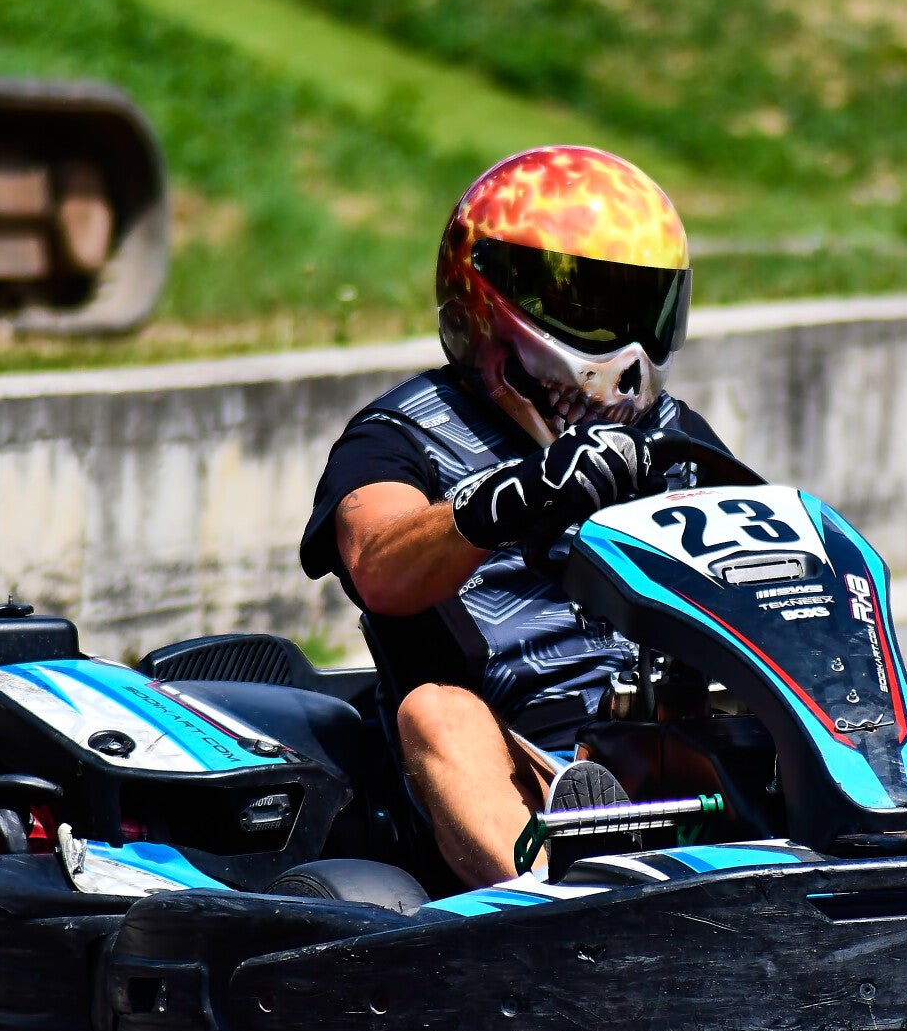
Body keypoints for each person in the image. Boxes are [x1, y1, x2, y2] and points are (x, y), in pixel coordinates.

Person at [300, 146, 738, 887]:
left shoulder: (672, 432)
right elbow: (378, 565)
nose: (626, 346)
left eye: (643, 307)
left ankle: (882, 815)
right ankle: (559, 889)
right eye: (590, 307)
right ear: (489, 297)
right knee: (436, 713)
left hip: (667, 726)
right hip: (521, 752)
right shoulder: (399, 435)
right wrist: (509, 497)